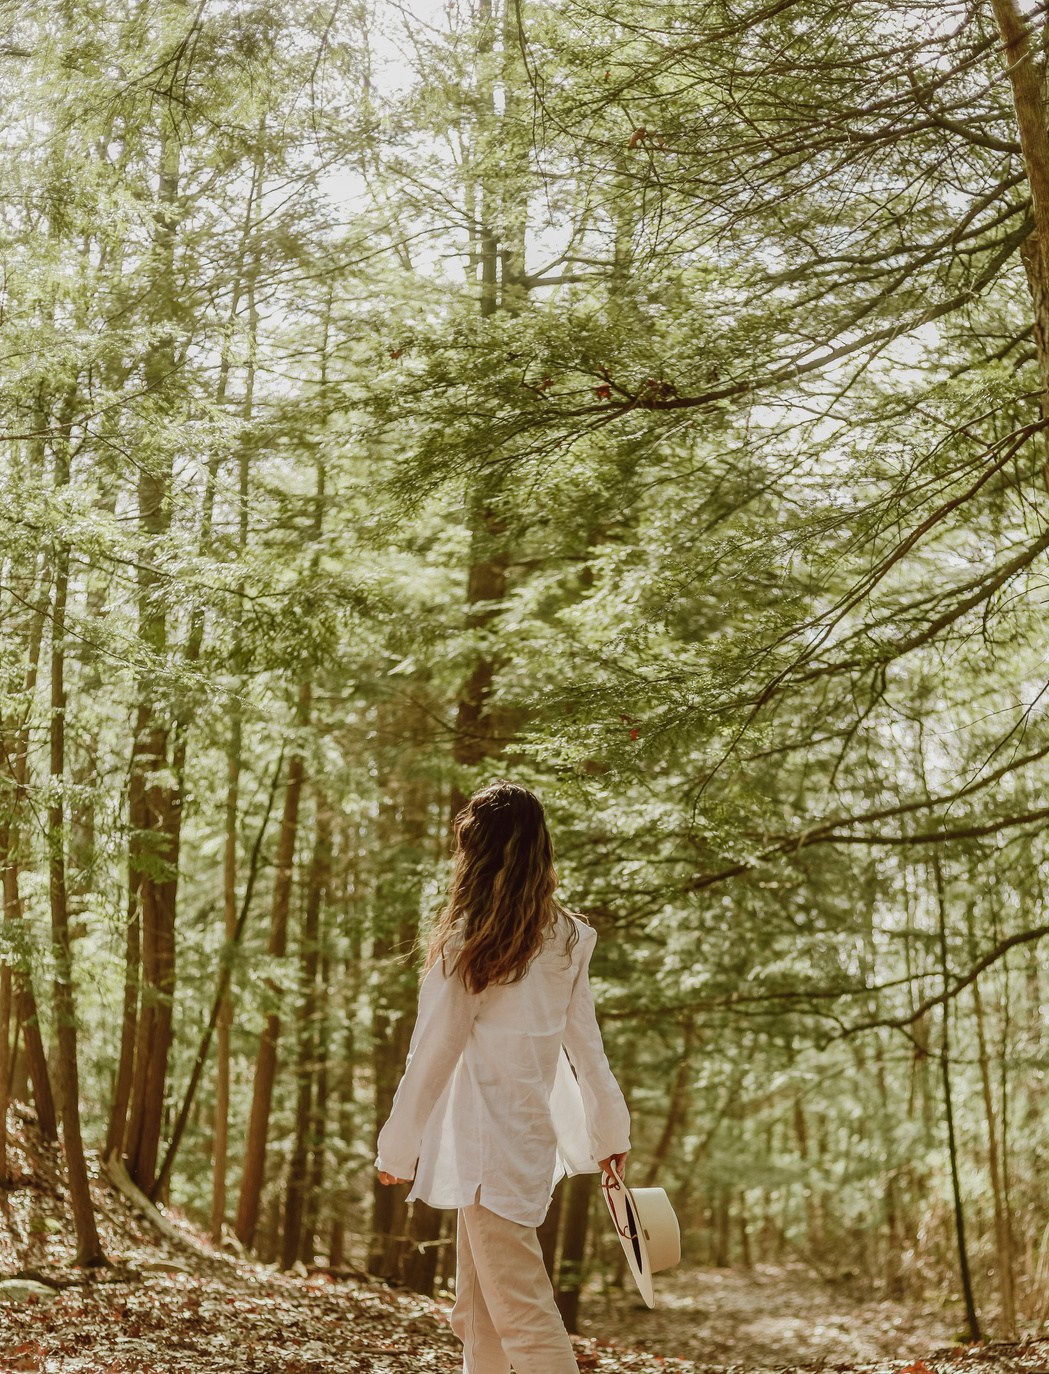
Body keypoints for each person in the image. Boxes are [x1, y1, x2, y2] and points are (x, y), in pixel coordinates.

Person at [375, 780, 631, 1374]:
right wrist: (609, 1134)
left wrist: (400, 1143)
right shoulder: (564, 937)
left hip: (488, 1149)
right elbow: (587, 1050)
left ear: (478, 854)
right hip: (524, 1145)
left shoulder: (473, 940)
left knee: (522, 1316)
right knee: (478, 1315)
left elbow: (434, 1049)